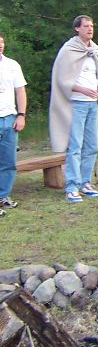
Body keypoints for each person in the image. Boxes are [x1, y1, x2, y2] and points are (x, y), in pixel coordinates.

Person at [50, 15, 98, 203]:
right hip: (76, 104)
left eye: (92, 26)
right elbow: (62, 79)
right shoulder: (69, 50)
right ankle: (72, 186)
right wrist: (82, 89)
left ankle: (85, 182)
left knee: (92, 145)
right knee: (75, 146)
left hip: (92, 104)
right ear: (77, 28)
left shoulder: (96, 51)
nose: (90, 29)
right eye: (86, 26)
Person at [0, 33, 27, 217]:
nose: (0, 45)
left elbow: (20, 91)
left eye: (2, 42)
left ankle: (3, 196)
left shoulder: (12, 65)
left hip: (9, 118)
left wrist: (21, 115)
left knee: (8, 161)